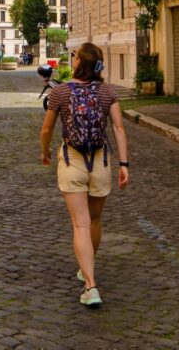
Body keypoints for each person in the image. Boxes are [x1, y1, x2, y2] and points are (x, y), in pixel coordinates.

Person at [40, 42, 130, 307]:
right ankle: (87, 267)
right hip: (100, 161)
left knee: (80, 223)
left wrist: (44, 153)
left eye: (75, 56)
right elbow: (119, 128)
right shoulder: (107, 92)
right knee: (94, 220)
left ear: (78, 62)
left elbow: (46, 129)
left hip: (72, 160)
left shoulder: (60, 92)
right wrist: (124, 164)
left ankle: (90, 284)